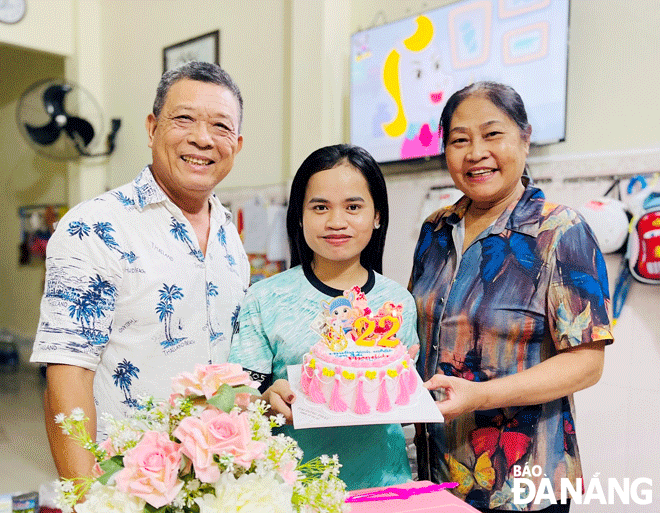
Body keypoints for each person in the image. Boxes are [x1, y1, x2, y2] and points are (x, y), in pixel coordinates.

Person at [30, 62, 250, 480]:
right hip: (127, 485)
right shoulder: (93, 227)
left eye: (220, 126)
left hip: (220, 483)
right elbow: (67, 375)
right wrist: (87, 500)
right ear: (152, 128)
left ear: (236, 145)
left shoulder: (228, 234)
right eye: (184, 119)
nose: (202, 139)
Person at [409, 82, 613, 512]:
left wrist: (480, 396)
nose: (475, 152)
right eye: (459, 139)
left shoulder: (560, 230)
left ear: (525, 137)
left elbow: (586, 363)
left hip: (524, 482)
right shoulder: (436, 229)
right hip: (436, 474)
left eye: (492, 134)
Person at [228, 144, 419, 491]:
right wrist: (268, 401)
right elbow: (237, 400)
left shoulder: (397, 302)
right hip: (291, 489)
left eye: (353, 207)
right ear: (299, 215)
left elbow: (401, 403)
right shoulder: (266, 298)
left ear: (377, 216)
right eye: (320, 207)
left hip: (384, 485)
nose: (336, 222)